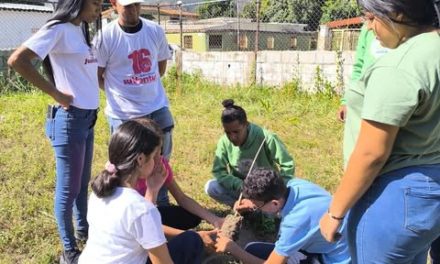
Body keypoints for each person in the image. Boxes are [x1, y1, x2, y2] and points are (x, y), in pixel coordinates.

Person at [319, 0, 440, 263]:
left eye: (372, 18)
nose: (368, 26)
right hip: (429, 193)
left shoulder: (399, 65)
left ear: (398, 13)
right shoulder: (434, 49)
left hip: (392, 198)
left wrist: (334, 213)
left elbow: (371, 153)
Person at [7, 0, 102, 263]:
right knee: (67, 190)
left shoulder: (80, 30)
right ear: (77, 3)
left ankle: (84, 232)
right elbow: (18, 60)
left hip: (87, 118)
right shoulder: (58, 28)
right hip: (70, 120)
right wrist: (56, 93)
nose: (98, 7)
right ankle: (69, 250)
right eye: (94, 2)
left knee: (82, 184)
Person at [79, 120, 204, 264]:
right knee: (192, 240)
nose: (158, 161)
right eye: (153, 156)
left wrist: (153, 189)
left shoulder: (98, 193)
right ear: (140, 159)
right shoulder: (141, 209)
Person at [96, 0, 173, 206]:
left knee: (160, 160)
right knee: (127, 166)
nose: (133, 10)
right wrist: (120, 93)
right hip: (123, 113)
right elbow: (98, 75)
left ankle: (160, 205)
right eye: (127, 5)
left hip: (157, 107)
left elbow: (161, 68)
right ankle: (129, 207)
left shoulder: (155, 31)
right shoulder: (105, 37)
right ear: (114, 4)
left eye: (137, 4)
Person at [215, 167, 351, 264]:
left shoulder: (293, 225)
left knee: (250, 251)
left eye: (258, 206)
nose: (256, 208)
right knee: (253, 249)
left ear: (274, 203)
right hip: (342, 243)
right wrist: (252, 204)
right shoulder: (296, 184)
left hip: (336, 259)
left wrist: (232, 248)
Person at [133, 118, 224, 230]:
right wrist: (152, 190)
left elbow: (181, 198)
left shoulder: (161, 165)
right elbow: (142, 223)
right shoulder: (124, 175)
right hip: (134, 223)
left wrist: (214, 219)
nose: (159, 158)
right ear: (140, 156)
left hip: (151, 213)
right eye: (154, 154)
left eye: (160, 151)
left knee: (193, 216)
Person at [205, 99, 295, 207]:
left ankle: (262, 210)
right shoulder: (224, 142)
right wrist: (240, 185)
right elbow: (219, 172)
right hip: (241, 189)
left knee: (286, 201)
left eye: (236, 132)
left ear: (246, 125)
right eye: (228, 132)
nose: (232, 137)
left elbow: (287, 164)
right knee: (212, 187)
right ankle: (241, 206)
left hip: (266, 191)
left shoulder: (266, 137)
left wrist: (279, 190)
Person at [337, 24, 388, 122]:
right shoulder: (367, 29)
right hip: (365, 99)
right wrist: (346, 101)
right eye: (367, 17)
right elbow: (358, 68)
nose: (369, 25)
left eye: (373, 17)